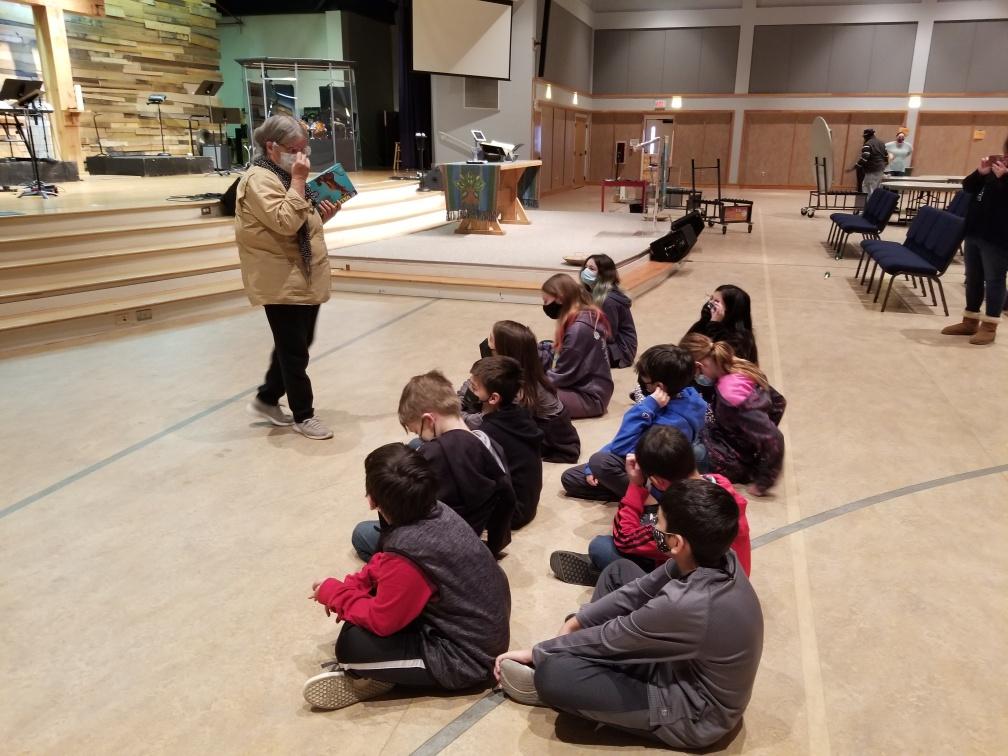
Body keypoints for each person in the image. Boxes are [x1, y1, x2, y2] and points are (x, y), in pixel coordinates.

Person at [493, 478, 763, 751]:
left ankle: (567, 688)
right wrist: (578, 622)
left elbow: (612, 639)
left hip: (693, 712)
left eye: (658, 524)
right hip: (678, 660)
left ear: (677, 543)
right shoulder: (717, 557)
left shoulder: (688, 603)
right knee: (618, 572)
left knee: (553, 674)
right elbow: (639, 590)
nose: (653, 528)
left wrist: (540, 652)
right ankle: (588, 668)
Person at [303, 443, 511, 710]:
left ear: (371, 500)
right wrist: (353, 585)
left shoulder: (407, 554)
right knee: (367, 598)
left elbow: (382, 621)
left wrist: (336, 594)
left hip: (467, 659)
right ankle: (392, 669)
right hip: (476, 627)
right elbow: (384, 562)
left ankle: (378, 676)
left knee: (351, 646)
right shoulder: (436, 509)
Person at [236, 114, 341, 441]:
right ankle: (303, 415)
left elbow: (298, 222)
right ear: (271, 147)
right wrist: (298, 180)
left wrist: (322, 215)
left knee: (297, 343)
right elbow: (284, 222)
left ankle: (267, 398)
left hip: (300, 273)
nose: (301, 156)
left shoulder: (284, 175)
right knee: (294, 351)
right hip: (279, 277)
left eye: (304, 148)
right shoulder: (259, 179)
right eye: (294, 149)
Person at [550, 425, 751, 585]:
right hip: (732, 583)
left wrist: (635, 485)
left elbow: (625, 539)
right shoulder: (720, 485)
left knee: (601, 547)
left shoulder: (678, 517)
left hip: (691, 593)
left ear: (658, 481)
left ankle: (610, 577)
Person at [351, 370, 515, 561]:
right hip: (477, 533)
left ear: (428, 420)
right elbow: (507, 497)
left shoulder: (432, 457)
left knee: (361, 533)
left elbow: (406, 511)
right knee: (414, 446)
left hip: (444, 547)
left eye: (417, 430)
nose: (419, 437)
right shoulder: (486, 441)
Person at [561, 345, 705, 502]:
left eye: (645, 382)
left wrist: (646, 407)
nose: (643, 385)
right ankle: (626, 490)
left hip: (652, 473)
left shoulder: (669, 423)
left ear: (659, 387)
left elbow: (620, 447)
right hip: (642, 460)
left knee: (599, 462)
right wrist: (591, 467)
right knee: (571, 477)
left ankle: (647, 499)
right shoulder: (688, 395)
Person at [680, 334, 786, 497]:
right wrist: (755, 439)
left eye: (694, 374)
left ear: (698, 366)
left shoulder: (731, 396)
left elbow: (774, 438)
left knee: (682, 448)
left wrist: (763, 481)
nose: (695, 378)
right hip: (733, 445)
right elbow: (778, 402)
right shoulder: (740, 366)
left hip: (729, 459)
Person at [461, 320, 580, 463]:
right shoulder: (516, 366)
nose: (487, 343)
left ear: (503, 350)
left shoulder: (519, 389)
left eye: (491, 339)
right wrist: (460, 401)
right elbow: (472, 384)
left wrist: (457, 416)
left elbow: (485, 420)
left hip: (552, 437)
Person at [941, 144, 1008, 345]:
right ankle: (970, 321)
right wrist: (980, 173)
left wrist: (1004, 179)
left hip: (997, 238)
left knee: (994, 280)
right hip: (974, 231)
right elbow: (968, 187)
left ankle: (990, 325)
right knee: (973, 278)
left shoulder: (1003, 176)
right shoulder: (993, 171)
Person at [467, 356, 544, 528]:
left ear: (493, 398)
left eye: (475, 388)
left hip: (512, 513)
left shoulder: (488, 432)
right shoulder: (521, 414)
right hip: (527, 502)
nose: (470, 391)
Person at [540, 273, 614, 419]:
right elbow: (560, 354)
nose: (545, 306)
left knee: (530, 395)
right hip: (592, 388)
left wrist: (534, 380)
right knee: (543, 349)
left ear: (560, 298)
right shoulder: (584, 315)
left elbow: (563, 374)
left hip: (590, 397)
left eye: (546, 301)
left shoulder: (578, 329)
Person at [580, 254, 638, 368]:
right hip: (611, 343)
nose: (585, 271)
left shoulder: (608, 301)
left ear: (603, 274)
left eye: (591, 269)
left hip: (621, 350)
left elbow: (609, 335)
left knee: (577, 351)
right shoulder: (593, 293)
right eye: (585, 267)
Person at [685, 284, 759, 364]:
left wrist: (714, 325)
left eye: (716, 301)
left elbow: (721, 360)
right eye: (711, 298)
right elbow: (685, 349)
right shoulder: (703, 325)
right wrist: (704, 319)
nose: (710, 303)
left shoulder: (742, 338)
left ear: (730, 310)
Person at [848, 127, 888, 196]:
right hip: (881, 169)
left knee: (867, 187)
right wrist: (884, 166)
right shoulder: (882, 143)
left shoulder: (868, 144)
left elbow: (864, 158)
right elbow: (886, 156)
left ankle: (869, 202)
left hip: (872, 169)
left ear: (866, 136)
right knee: (876, 188)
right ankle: (875, 201)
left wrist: (855, 166)